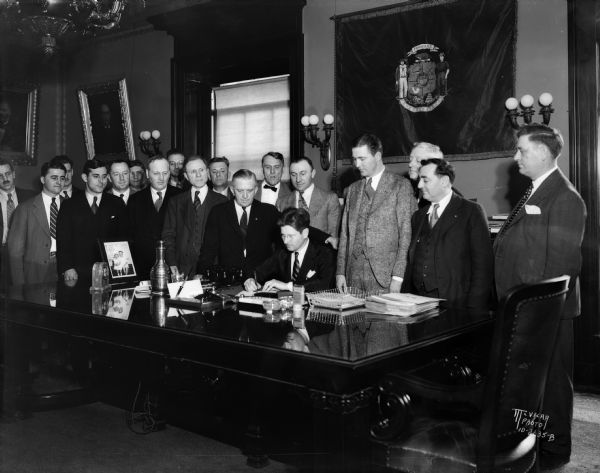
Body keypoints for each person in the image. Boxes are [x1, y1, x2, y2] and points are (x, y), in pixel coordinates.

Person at [493, 124, 586, 470]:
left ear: (543, 153)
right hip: (525, 311)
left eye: (522, 150)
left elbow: (562, 268)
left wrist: (535, 317)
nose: (516, 157)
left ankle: (555, 451)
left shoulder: (563, 197)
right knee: (532, 386)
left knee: (553, 387)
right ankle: (534, 441)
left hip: (546, 315)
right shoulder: (535, 191)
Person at [401, 158, 493, 309]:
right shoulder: (418, 216)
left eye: (425, 180)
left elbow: (483, 267)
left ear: (444, 181)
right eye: (419, 180)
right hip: (418, 303)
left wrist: (475, 308)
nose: (419, 185)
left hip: (456, 303)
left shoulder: (471, 211)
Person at [336, 134, 417, 293]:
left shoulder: (400, 186)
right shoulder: (352, 189)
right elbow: (344, 235)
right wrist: (340, 272)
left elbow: (406, 234)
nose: (356, 164)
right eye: (354, 159)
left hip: (385, 277)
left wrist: (398, 277)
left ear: (378, 156)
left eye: (362, 158)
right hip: (353, 275)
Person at [198, 169, 280, 277]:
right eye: (240, 191)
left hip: (262, 279)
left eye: (249, 190)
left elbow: (280, 249)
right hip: (229, 279)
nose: (245, 196)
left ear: (256, 190)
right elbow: (208, 249)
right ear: (232, 190)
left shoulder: (269, 212)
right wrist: (200, 273)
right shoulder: (218, 212)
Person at [56, 158, 127, 281]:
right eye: (95, 176)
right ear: (84, 177)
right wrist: (68, 267)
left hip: (109, 271)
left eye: (104, 176)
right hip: (78, 272)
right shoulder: (69, 205)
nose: (101, 181)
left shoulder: (116, 203)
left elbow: (123, 238)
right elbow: (63, 241)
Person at [162, 155, 228, 278]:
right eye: (193, 172)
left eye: (201, 170)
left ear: (207, 172)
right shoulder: (176, 201)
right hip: (181, 268)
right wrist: (171, 262)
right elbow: (168, 235)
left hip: (212, 269)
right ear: (186, 176)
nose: (198, 175)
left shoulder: (222, 201)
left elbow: (226, 241)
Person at [243, 208, 335, 293]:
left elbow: (324, 284)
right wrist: (250, 279)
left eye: (290, 236)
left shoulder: (324, 253)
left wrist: (288, 286)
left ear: (305, 233)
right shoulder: (282, 253)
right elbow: (258, 271)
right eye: (283, 235)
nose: (285, 241)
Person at [7, 160, 67, 285]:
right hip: (35, 270)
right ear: (43, 179)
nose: (59, 182)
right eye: (54, 177)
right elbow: (15, 252)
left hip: (65, 269)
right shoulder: (25, 208)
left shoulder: (71, 205)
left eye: (62, 178)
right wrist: (19, 286)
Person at [127, 155, 182, 279]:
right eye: (156, 173)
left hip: (174, 267)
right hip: (143, 268)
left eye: (165, 173)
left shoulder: (181, 197)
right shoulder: (135, 200)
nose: (161, 178)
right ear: (147, 173)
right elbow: (130, 236)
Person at [279, 156, 340, 247]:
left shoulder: (330, 199)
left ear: (313, 173)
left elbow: (332, 239)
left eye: (302, 174)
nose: (298, 179)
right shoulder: (281, 202)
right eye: (293, 174)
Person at [0, 158, 35, 286]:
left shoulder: (31, 197)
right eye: (0, 176)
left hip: (25, 253)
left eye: (8, 174)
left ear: (14, 174)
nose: (5, 178)